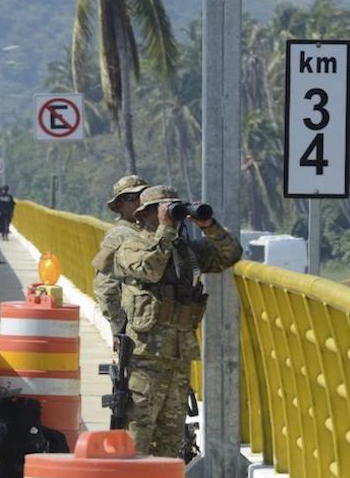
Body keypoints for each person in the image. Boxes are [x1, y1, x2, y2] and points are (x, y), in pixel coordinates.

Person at [112, 185, 242, 457]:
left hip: (180, 350)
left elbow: (229, 254)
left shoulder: (186, 250)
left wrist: (208, 225)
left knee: (172, 429)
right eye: (164, 209)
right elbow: (150, 269)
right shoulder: (131, 245)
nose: (173, 215)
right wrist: (165, 230)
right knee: (140, 425)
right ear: (145, 214)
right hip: (146, 353)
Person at [91, 175, 149, 342]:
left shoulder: (148, 232)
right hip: (133, 326)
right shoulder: (119, 235)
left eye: (143, 196)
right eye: (132, 198)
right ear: (119, 205)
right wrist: (119, 328)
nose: (139, 201)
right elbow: (105, 285)